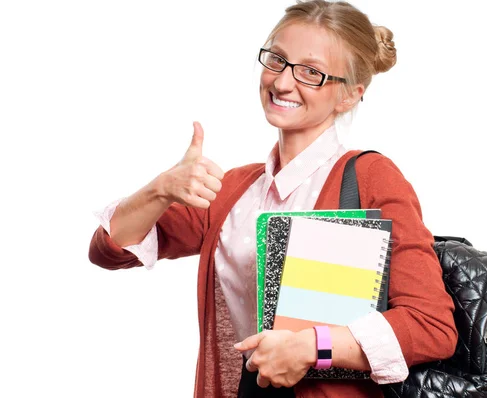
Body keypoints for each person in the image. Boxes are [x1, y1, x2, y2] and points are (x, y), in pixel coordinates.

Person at [88, 1, 458, 397]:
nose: (282, 83)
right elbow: (110, 251)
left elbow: (430, 326)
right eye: (278, 60)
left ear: (349, 96)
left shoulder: (369, 178)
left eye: (311, 72)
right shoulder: (234, 189)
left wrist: (312, 346)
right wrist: (160, 189)